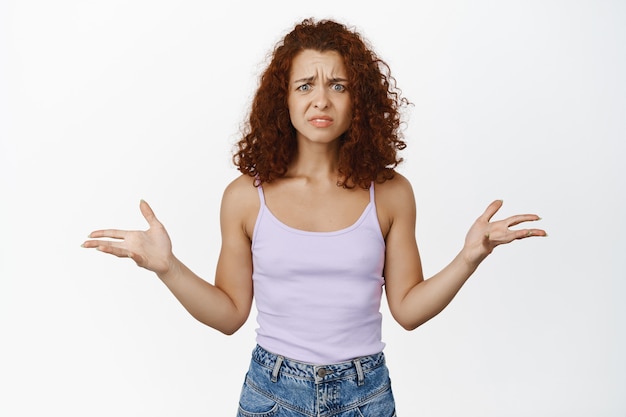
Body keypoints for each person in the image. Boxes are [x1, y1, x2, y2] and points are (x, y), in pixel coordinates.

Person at [82, 18, 546, 416]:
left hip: (366, 394)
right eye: (305, 85)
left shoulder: (390, 194)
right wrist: (167, 267)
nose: (320, 100)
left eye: (337, 85)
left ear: (358, 99)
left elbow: (407, 310)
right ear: (282, 100)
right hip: (273, 393)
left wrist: (469, 256)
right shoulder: (245, 197)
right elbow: (228, 315)